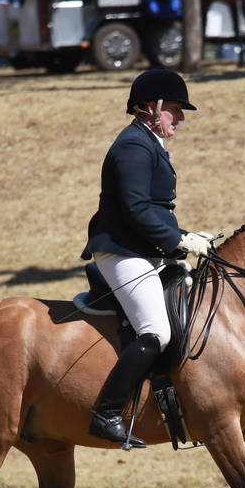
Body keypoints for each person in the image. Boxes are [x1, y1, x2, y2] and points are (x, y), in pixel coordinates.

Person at [80, 68, 211, 448]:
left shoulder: (149, 143)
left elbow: (154, 210)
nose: (181, 117)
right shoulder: (133, 147)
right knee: (157, 330)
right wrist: (180, 240)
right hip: (122, 252)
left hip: (145, 249)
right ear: (151, 107)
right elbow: (137, 210)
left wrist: (184, 237)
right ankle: (106, 413)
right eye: (174, 108)